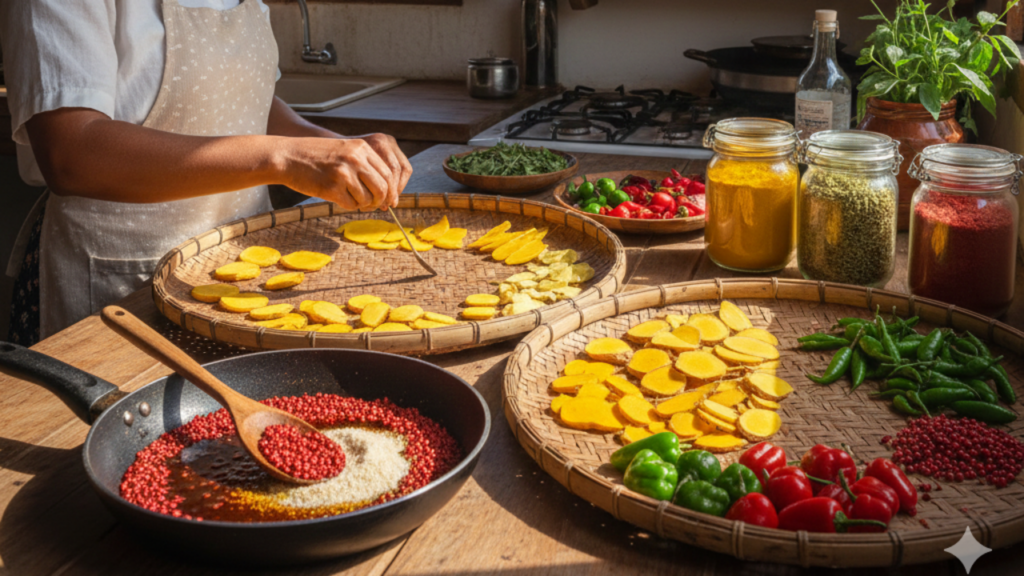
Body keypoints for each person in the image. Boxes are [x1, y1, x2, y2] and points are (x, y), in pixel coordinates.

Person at [0, 0, 412, 344]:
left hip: (245, 275)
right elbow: (71, 154)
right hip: (124, 282)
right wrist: (285, 157)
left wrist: (331, 146)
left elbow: (248, 101)